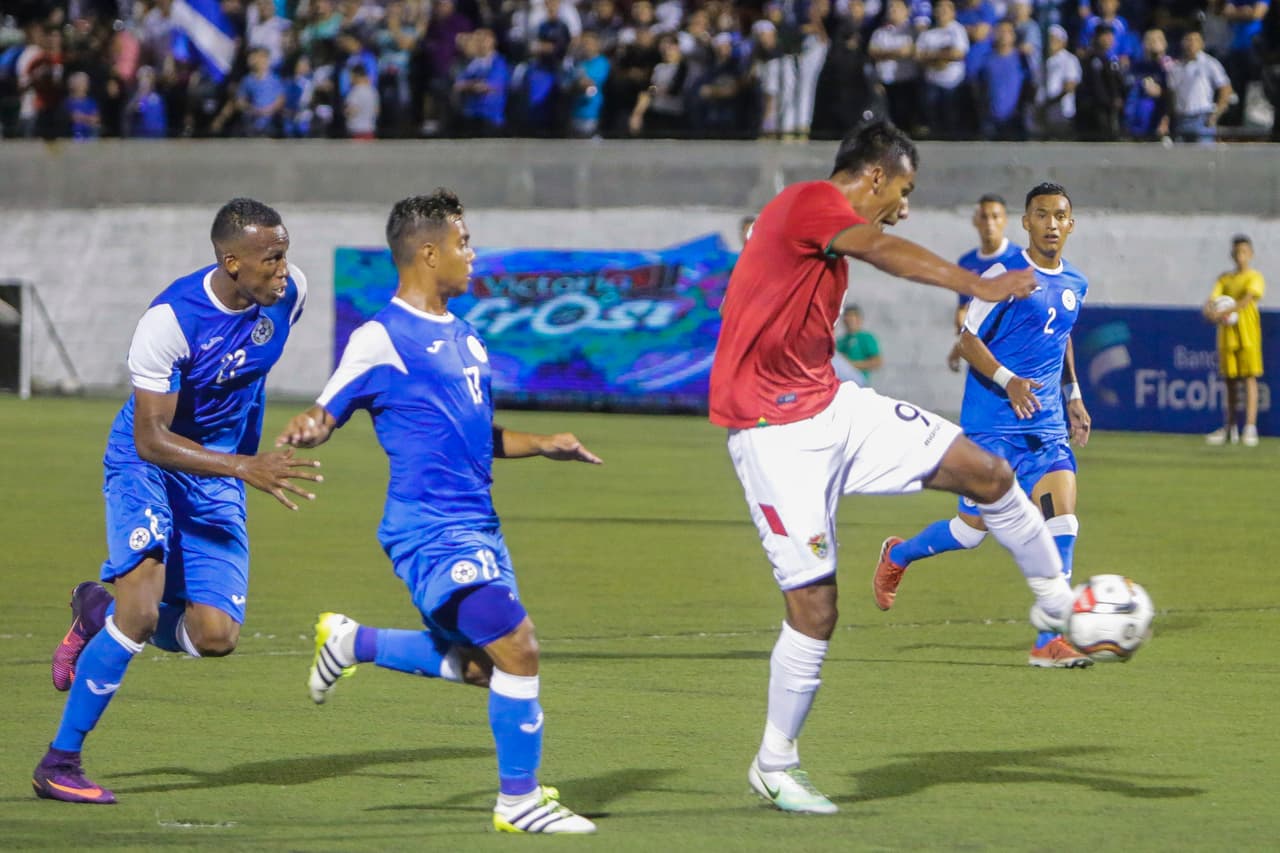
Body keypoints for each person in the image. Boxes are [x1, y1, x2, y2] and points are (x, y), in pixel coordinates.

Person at [709, 122, 1075, 815]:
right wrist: (977, 284)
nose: (902, 207)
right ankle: (774, 762)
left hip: (830, 406)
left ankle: (1057, 604)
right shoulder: (812, 201)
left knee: (989, 472)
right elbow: (880, 247)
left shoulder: (812, 226)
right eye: (903, 192)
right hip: (771, 433)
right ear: (875, 177)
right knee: (816, 610)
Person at [276, 191, 600, 834]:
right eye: (463, 243)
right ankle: (518, 802)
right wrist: (310, 427)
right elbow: (328, 407)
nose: (471, 255)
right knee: (519, 647)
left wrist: (545, 446)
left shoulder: (467, 338)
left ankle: (353, 640)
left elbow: (477, 436)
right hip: (430, 529)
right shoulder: (380, 336)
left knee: (485, 667)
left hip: (480, 527)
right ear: (428, 253)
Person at [33, 199, 321, 804]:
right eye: (271, 259)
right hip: (149, 464)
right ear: (231, 261)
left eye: (285, 253)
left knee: (215, 635)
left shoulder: (289, 295)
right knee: (140, 612)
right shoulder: (169, 321)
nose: (284, 268)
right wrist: (244, 464)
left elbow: (249, 381)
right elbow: (151, 438)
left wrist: (237, 467)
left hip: (216, 473)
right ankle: (60, 763)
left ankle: (97, 613)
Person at [876, 182, 1095, 668]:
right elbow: (967, 338)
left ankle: (1047, 642)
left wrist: (1074, 395)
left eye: (1061, 215)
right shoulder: (1004, 274)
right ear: (1027, 222)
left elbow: (1062, 339)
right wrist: (1009, 379)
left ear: (1071, 224)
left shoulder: (1076, 283)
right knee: (971, 530)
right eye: (1042, 215)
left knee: (1062, 522)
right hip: (992, 428)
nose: (1052, 224)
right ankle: (899, 555)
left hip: (1046, 429)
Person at [948, 193, 1023, 372]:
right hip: (980, 356)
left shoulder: (1019, 259)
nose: (990, 223)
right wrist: (962, 344)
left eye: (995, 217)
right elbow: (964, 310)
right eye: (984, 217)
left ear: (1004, 220)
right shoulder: (966, 262)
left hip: (1014, 355)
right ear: (975, 221)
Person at [1204, 234, 1266, 446]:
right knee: (1230, 382)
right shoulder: (1225, 279)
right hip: (1228, 336)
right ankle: (1230, 428)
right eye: (1237, 253)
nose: (1240, 257)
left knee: (1249, 378)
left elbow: (1247, 300)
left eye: (1244, 253)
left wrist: (1224, 311)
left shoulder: (1254, 277)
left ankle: (1250, 427)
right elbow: (1213, 300)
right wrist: (1210, 311)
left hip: (1248, 335)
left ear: (1250, 254)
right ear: (1232, 255)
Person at [834, 304, 882, 384]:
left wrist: (851, 364)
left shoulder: (866, 338)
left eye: (853, 317)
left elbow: (877, 362)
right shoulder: (840, 341)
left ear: (860, 319)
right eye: (847, 317)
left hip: (858, 377)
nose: (850, 320)